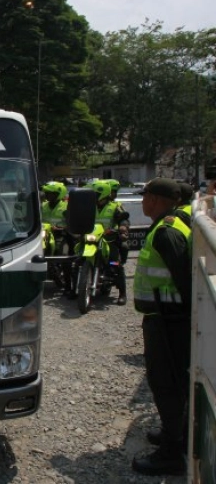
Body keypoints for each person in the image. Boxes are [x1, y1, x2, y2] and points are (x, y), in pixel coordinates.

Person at [131, 178, 191, 476]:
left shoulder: (167, 233)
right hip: (166, 318)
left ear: (154, 199)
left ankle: (172, 452)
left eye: (145, 197)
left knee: (166, 383)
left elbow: (185, 279)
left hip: (169, 322)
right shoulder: (167, 226)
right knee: (170, 382)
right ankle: (174, 433)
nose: (142, 202)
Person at [92, 180, 129, 305]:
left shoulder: (114, 206)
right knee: (78, 260)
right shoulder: (90, 206)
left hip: (109, 240)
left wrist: (123, 227)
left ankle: (122, 294)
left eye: (96, 194)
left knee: (116, 263)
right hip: (92, 239)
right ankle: (75, 288)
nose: (94, 196)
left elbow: (124, 219)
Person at [41, 181, 73, 293]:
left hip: (61, 236)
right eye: (47, 193)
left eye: (51, 193)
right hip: (44, 236)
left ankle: (68, 287)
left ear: (58, 194)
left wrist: (61, 228)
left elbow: (72, 223)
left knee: (64, 258)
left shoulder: (65, 207)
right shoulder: (43, 205)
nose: (48, 195)